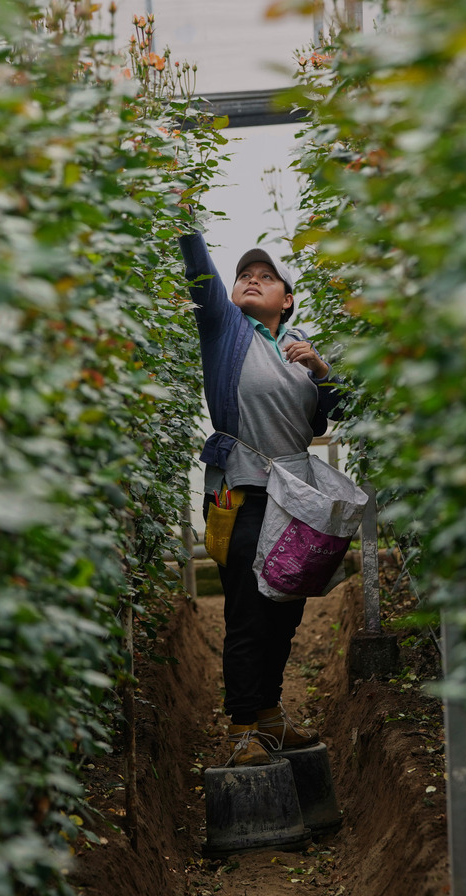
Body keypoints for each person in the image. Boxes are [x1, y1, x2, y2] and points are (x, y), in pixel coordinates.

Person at [178, 229, 346, 767]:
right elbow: (201, 272)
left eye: (265, 276)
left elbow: (337, 412)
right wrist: (187, 222)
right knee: (249, 610)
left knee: (285, 607)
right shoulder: (227, 331)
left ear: (287, 298)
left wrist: (321, 371)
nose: (252, 280)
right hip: (242, 491)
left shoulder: (296, 349)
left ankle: (270, 716)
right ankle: (244, 728)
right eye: (244, 276)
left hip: (295, 498)